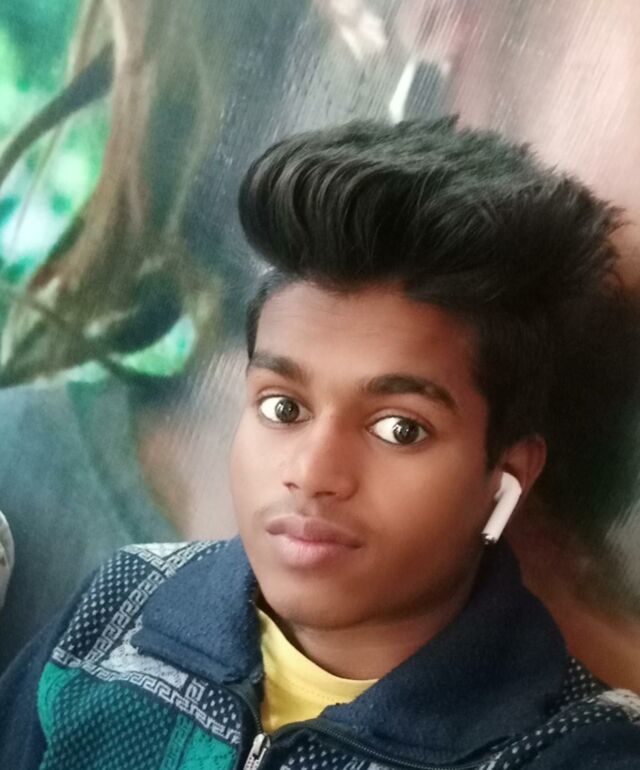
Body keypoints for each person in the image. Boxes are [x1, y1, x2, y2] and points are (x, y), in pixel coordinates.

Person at [1, 117, 640, 768]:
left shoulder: (575, 752)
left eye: (400, 428)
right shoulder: (119, 611)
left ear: (507, 477)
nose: (312, 473)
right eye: (283, 408)